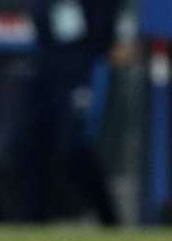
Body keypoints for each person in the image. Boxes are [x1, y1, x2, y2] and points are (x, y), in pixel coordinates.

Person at [19, 0, 122, 225]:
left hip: (82, 69)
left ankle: (109, 218)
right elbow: (39, 17)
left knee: (73, 147)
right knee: (29, 142)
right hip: (47, 68)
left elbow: (103, 29)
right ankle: (32, 221)